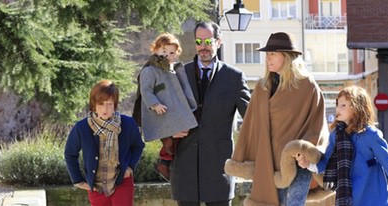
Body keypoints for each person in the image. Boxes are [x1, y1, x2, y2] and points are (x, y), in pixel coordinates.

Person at [224, 32, 329, 206]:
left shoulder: (307, 85)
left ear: (287, 56)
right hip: (270, 163)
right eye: (267, 54)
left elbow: (317, 125)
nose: (268, 58)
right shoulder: (262, 87)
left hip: (298, 163)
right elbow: (252, 126)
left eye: (272, 53)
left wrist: (307, 154)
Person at [169, 21, 251, 206]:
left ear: (218, 42)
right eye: (199, 41)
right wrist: (169, 131)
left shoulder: (234, 77)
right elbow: (163, 114)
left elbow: (253, 119)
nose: (203, 47)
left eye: (208, 41)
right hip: (184, 169)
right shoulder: (178, 74)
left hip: (219, 171)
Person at [296, 86, 388, 206]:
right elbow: (326, 162)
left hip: (374, 198)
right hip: (350, 199)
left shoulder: (370, 134)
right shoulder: (335, 135)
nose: (338, 109)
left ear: (357, 108)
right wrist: (308, 164)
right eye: (337, 105)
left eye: (343, 105)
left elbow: (387, 161)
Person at [64, 80, 145, 206]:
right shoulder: (82, 127)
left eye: (109, 104)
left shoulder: (128, 124)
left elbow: (138, 146)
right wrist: (78, 180)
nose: (105, 109)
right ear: (94, 104)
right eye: (101, 104)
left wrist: (129, 167)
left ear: (115, 104)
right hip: (97, 187)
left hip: (122, 182)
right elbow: (70, 153)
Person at [137, 32, 198, 181]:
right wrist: (154, 104)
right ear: (155, 50)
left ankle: (167, 162)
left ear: (176, 54)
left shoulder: (173, 69)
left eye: (171, 53)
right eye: (163, 51)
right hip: (161, 112)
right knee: (171, 137)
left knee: (180, 134)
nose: (167, 55)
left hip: (174, 111)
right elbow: (145, 90)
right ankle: (164, 162)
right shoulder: (150, 70)